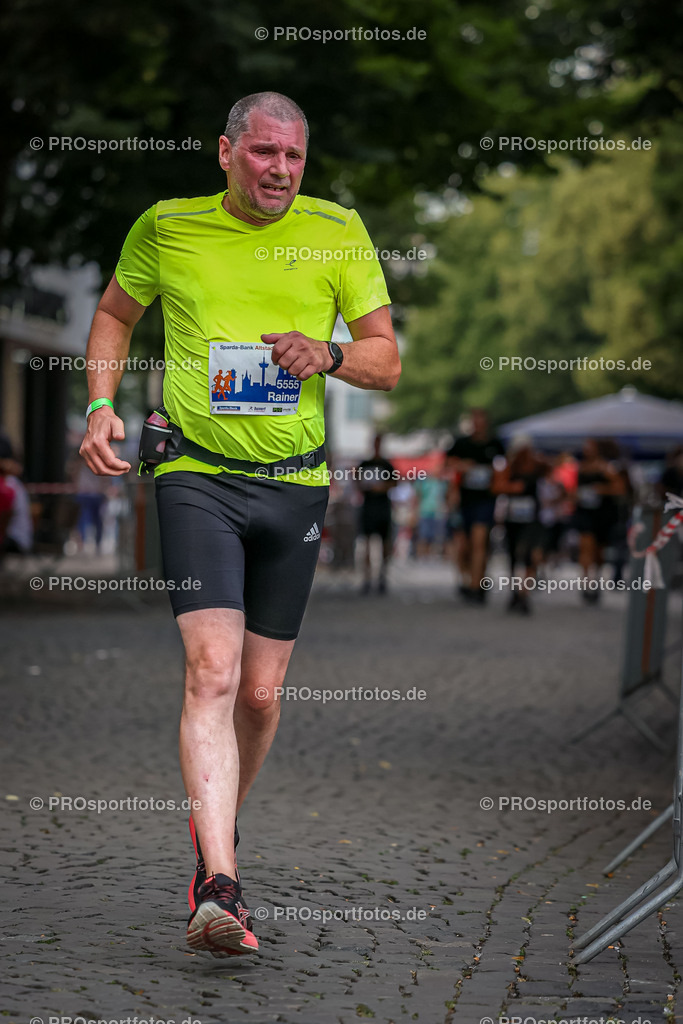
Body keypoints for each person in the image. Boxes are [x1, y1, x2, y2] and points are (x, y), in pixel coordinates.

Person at [78, 92, 400, 957]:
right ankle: (218, 883)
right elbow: (113, 314)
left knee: (259, 694)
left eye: (294, 158)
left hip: (294, 485)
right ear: (226, 153)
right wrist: (102, 404)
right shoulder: (167, 227)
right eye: (264, 154)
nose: (280, 172)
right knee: (212, 674)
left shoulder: (337, 231)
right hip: (194, 475)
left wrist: (326, 353)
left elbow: (385, 359)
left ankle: (212, 831)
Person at [447, 409, 505, 603]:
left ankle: (476, 586)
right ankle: (469, 578)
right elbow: (447, 463)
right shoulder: (461, 444)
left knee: (480, 542)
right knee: (464, 546)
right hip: (464, 501)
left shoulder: (495, 445)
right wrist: (462, 466)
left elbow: (503, 468)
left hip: (486, 500)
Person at [492, 435, 548, 615]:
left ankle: (524, 592)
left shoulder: (538, 466)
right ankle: (516, 591)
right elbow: (497, 486)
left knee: (531, 555)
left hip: (532, 519)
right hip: (513, 518)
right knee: (514, 556)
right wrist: (512, 487)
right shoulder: (509, 467)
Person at [574, 438, 626, 603]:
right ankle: (585, 582)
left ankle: (594, 580)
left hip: (602, 514)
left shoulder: (607, 467)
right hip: (584, 513)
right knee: (585, 546)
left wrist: (601, 490)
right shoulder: (581, 467)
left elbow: (620, 488)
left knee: (598, 551)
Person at [356, 434, 397, 594]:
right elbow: (358, 483)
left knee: (384, 543)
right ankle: (367, 578)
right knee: (367, 543)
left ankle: (382, 576)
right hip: (369, 507)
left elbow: (394, 483)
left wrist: (381, 487)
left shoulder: (387, 465)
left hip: (383, 507)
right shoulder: (365, 464)